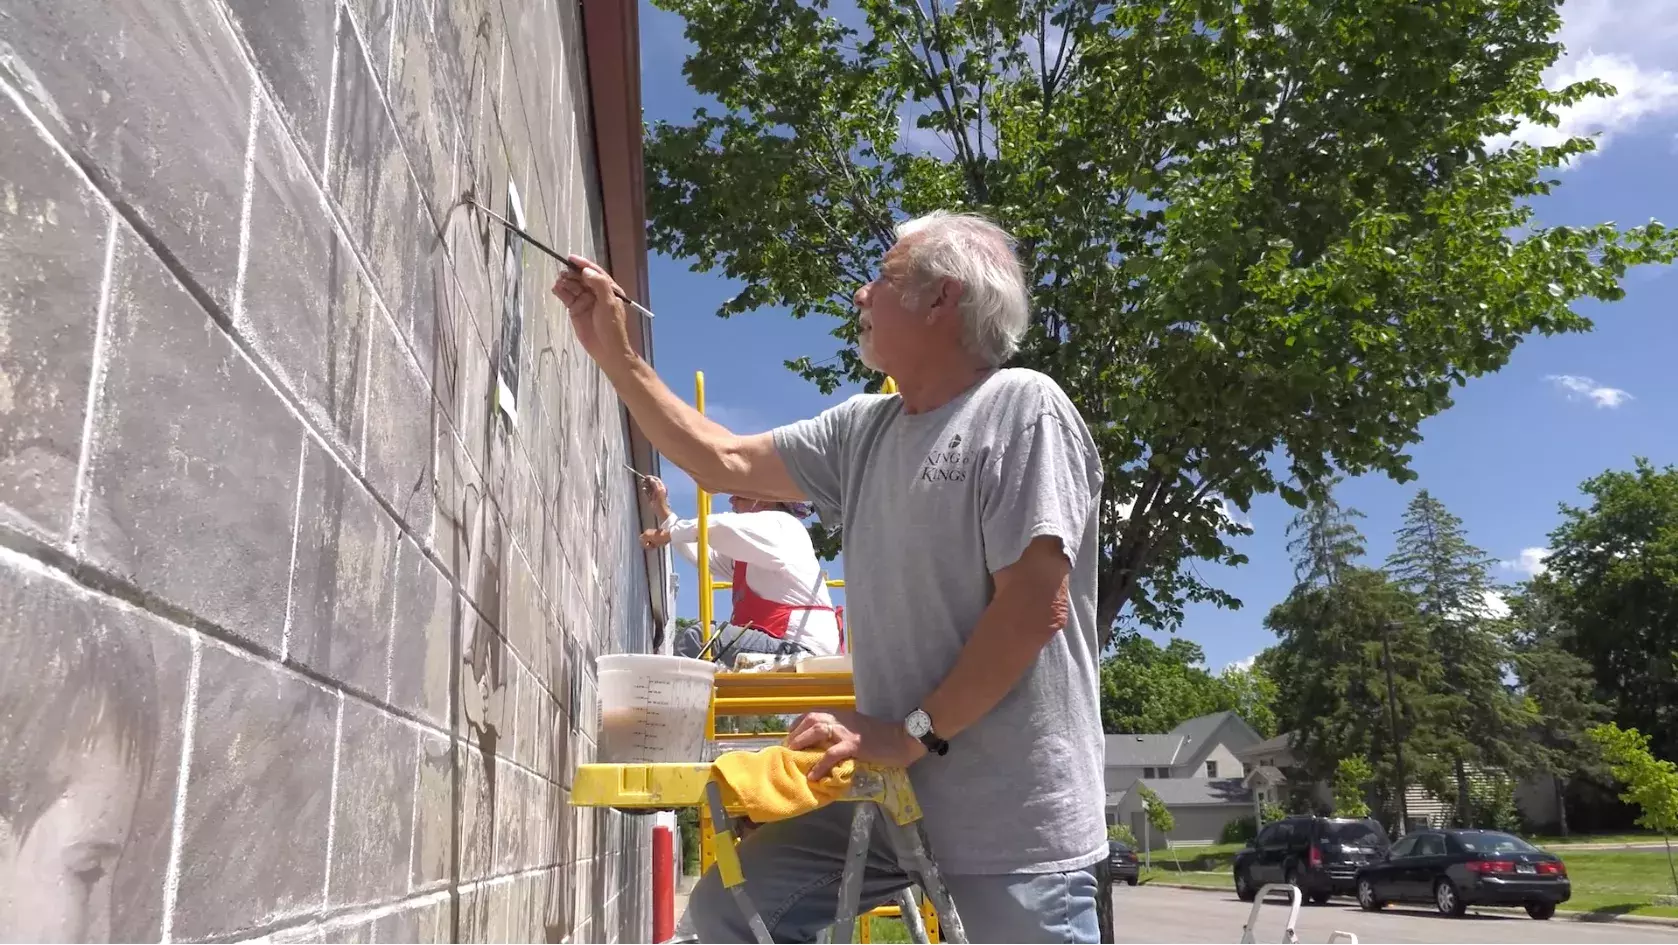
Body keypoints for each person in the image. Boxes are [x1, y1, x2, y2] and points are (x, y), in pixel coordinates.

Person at [554, 210, 1105, 942]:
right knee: (726, 912)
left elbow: (1035, 606)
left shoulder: (1022, 407)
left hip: (1015, 822)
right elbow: (723, 458)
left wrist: (907, 732)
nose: (861, 294)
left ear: (941, 299)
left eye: (884, 276)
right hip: (895, 798)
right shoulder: (865, 430)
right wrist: (614, 352)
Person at [637, 475, 842, 662]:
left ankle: (676, 701)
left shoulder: (783, 525)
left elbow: (722, 527)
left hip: (800, 649)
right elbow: (705, 553)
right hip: (783, 645)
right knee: (706, 645)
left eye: (740, 495)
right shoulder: (756, 550)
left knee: (700, 638)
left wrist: (668, 534)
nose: (731, 501)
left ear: (764, 499)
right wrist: (663, 511)